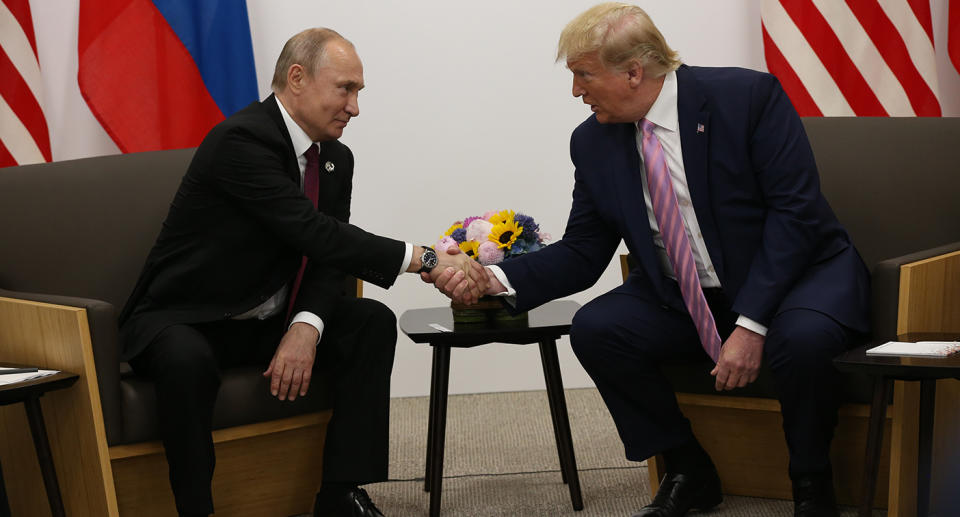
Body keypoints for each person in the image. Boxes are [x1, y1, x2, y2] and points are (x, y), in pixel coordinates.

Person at [431, 4, 869, 517]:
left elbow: (795, 217)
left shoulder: (746, 98)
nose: (576, 91)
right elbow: (582, 251)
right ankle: (688, 468)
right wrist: (492, 277)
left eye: (583, 74)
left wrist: (752, 323)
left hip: (798, 277)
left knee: (802, 340)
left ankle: (812, 482)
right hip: (689, 295)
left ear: (634, 71)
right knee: (598, 328)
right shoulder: (593, 141)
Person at [119, 28, 485, 517]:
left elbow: (329, 258)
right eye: (345, 89)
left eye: (358, 92)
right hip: (186, 317)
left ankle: (340, 496)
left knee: (369, 323)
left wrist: (305, 326)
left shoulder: (334, 158)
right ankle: (196, 509)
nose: (354, 107)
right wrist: (428, 259)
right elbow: (314, 232)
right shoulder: (241, 140)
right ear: (297, 78)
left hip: (264, 320)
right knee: (186, 361)